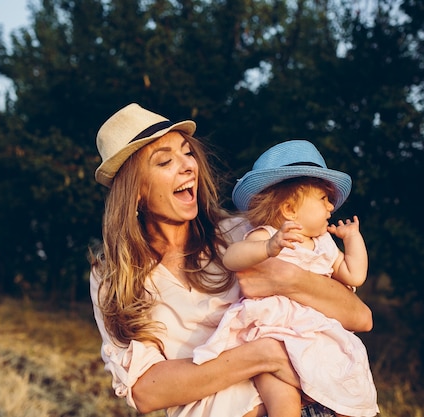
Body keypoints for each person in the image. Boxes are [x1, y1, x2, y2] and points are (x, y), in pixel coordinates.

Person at [89, 103, 373, 417]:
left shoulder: (244, 232)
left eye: (188, 153)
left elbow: (359, 317)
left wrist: (287, 278)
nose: (188, 166)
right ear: (135, 190)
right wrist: (265, 354)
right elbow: (145, 391)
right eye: (165, 161)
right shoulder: (114, 276)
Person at [193, 140, 379, 417]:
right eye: (323, 199)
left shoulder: (324, 244)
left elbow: (355, 275)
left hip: (318, 335)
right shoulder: (267, 235)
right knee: (283, 400)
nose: (331, 206)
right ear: (290, 210)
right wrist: (268, 248)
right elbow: (233, 258)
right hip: (272, 331)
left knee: (347, 384)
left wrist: (353, 239)